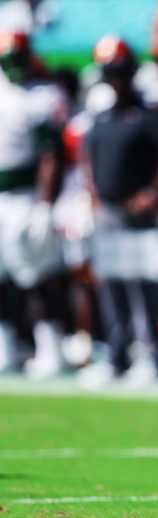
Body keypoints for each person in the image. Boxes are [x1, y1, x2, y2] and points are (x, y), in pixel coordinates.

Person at [82, 36, 158, 385]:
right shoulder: (102, 117)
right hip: (109, 211)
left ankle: (151, 354)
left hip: (139, 214)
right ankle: (116, 354)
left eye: (121, 73)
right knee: (112, 285)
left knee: (144, 285)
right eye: (111, 74)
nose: (116, 80)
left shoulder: (145, 116)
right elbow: (88, 158)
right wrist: (93, 193)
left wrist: (155, 192)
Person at [0, 30, 68, 377]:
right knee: (4, 277)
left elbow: (50, 155)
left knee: (37, 275)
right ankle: (6, 345)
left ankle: (50, 346)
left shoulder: (42, 96)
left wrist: (45, 203)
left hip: (26, 196)